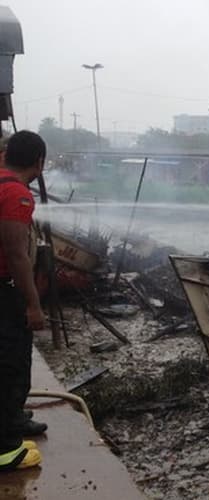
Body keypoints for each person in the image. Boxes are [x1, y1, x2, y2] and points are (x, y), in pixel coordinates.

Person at [0, 131, 47, 471]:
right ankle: (6, 451)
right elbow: (16, 254)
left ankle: (14, 418)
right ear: (39, 162)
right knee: (11, 361)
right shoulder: (16, 195)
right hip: (6, 290)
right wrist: (32, 305)